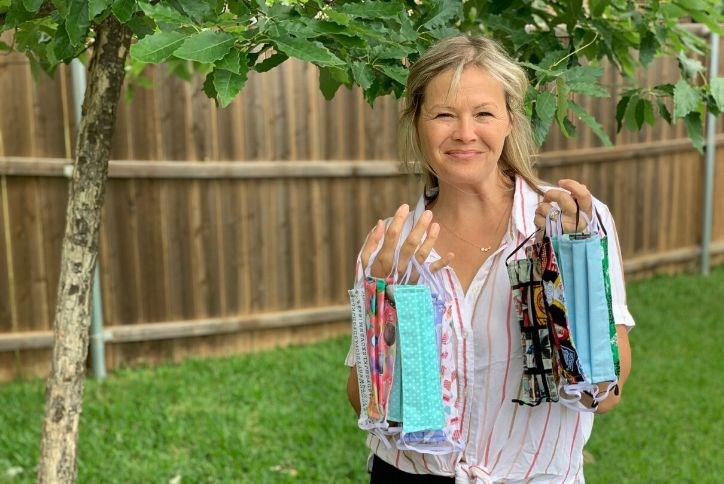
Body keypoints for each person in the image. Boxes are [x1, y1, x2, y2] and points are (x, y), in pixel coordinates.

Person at [345, 35, 633, 483]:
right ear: (417, 123)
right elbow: (366, 402)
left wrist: (570, 269)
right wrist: (384, 303)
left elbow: (604, 393)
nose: (464, 132)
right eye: (443, 114)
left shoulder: (573, 226)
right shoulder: (393, 247)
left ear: (509, 121)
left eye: (483, 113)